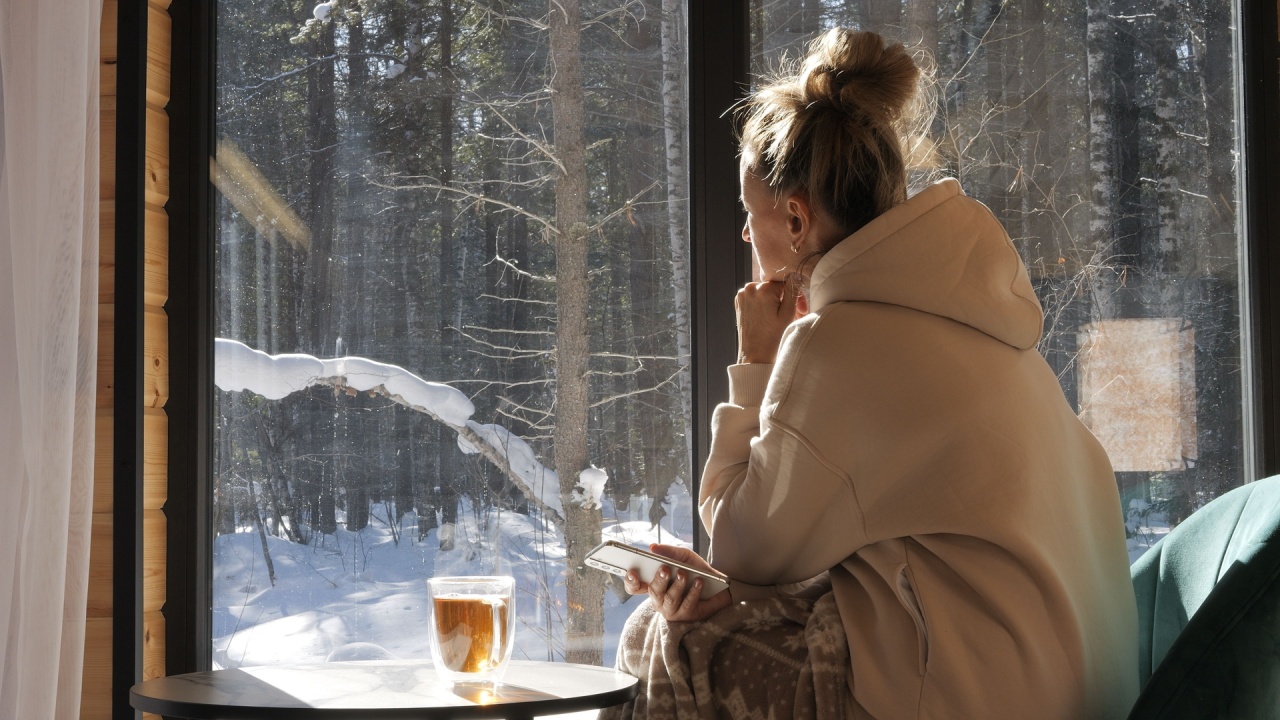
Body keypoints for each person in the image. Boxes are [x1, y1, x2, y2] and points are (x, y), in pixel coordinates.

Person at [607, 28, 1139, 720]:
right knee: (678, 628)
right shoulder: (975, 315)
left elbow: (742, 549)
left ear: (795, 218)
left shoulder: (840, 343)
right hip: (1070, 682)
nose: (744, 236)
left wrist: (759, 359)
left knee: (665, 640)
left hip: (979, 699)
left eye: (749, 213)